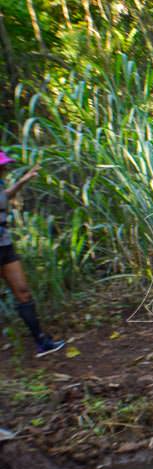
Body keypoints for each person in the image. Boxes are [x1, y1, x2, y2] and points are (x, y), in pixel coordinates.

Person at [0, 151, 64, 357]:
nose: (5, 169)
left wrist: (22, 182)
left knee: (23, 292)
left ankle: (41, 342)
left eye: (5, 165)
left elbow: (4, 197)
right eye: (3, 165)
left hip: (5, 245)